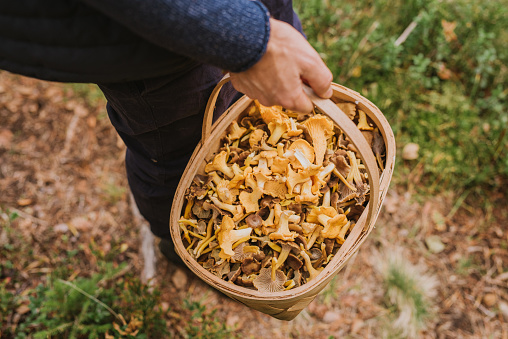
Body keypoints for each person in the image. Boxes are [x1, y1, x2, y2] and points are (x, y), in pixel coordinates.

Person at [0, 0, 333, 264]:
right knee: (180, 153)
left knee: (269, 113)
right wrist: (248, 39)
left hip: (254, 20)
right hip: (146, 33)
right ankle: (179, 246)